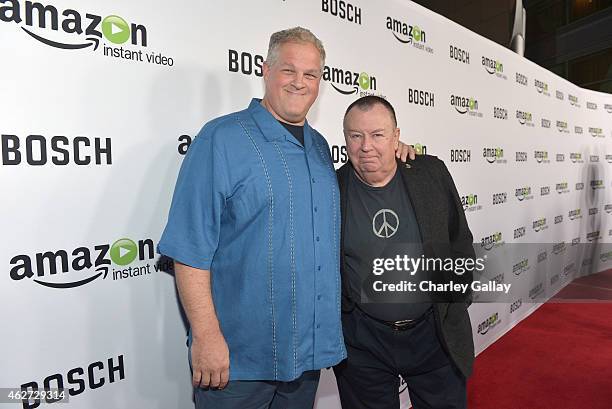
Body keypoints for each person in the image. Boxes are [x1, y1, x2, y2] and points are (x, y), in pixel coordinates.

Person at [158, 28, 414, 409]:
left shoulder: (319, 148)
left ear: (320, 83)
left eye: (311, 75)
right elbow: (189, 248)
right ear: (265, 70)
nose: (300, 82)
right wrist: (206, 336)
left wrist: (396, 151)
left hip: (306, 360)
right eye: (289, 70)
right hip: (237, 362)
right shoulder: (220, 139)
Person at [333, 96, 475, 409]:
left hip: (434, 336)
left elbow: (459, 240)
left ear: (397, 137)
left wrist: (455, 302)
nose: (366, 146)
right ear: (345, 140)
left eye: (378, 135)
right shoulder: (332, 187)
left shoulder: (430, 173)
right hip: (362, 343)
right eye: (355, 136)